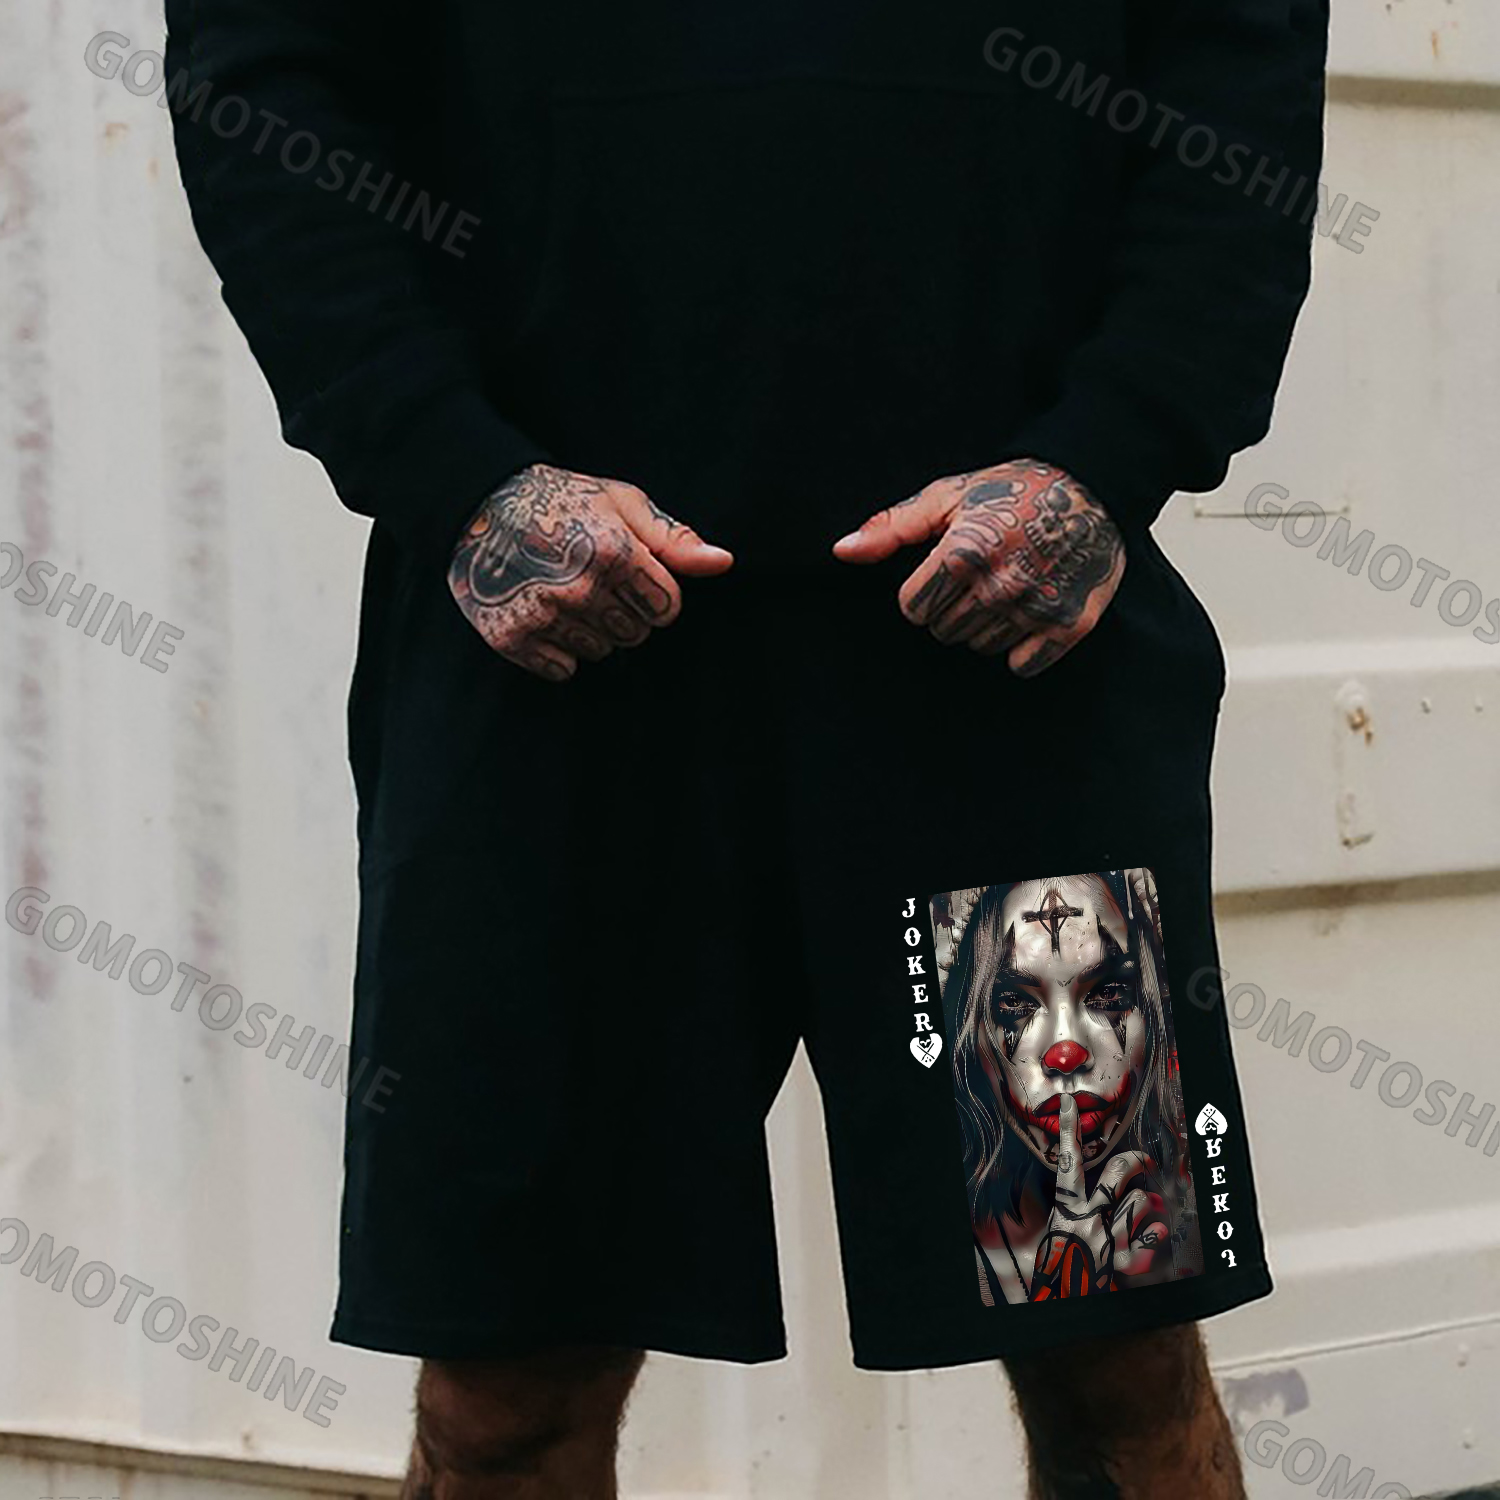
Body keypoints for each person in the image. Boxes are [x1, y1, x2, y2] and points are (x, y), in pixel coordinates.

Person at [163, 0, 1328, 1493]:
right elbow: (268, 90)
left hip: (1001, 655)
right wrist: (447, 469)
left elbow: (1234, 68)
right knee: (506, 1397)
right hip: (561, 679)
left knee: (1113, 1355)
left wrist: (1115, 448)